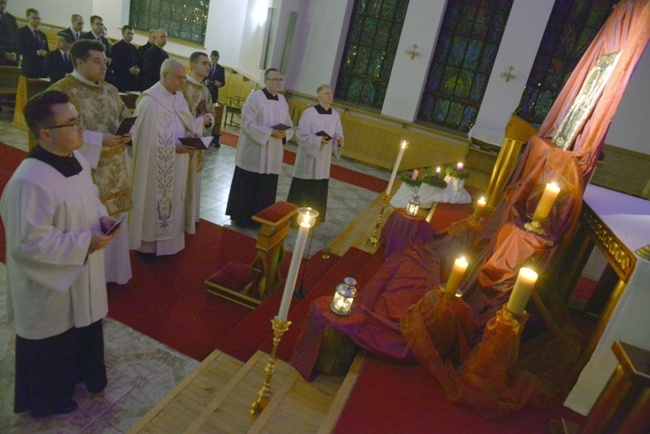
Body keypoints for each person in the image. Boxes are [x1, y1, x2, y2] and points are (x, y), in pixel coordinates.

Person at [0, 90, 120, 418]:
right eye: (72, 123)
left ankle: (82, 374)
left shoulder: (75, 158)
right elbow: (27, 245)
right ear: (45, 134)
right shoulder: (29, 181)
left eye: (78, 120)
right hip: (49, 283)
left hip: (80, 272)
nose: (81, 129)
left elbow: (90, 195)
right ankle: (47, 399)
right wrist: (85, 243)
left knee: (83, 323)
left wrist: (102, 218)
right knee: (54, 337)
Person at [48, 39, 134, 285]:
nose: (103, 67)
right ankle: (92, 280)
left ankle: (113, 275)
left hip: (115, 169)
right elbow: (59, 132)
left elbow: (125, 116)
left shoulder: (110, 89)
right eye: (97, 62)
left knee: (115, 218)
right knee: (90, 219)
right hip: (85, 170)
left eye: (104, 62)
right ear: (79, 62)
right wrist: (99, 140)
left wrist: (128, 133)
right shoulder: (62, 91)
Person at [129, 59, 205, 258]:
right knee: (154, 201)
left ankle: (170, 245)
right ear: (164, 75)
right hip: (154, 168)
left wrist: (192, 137)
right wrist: (173, 148)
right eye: (179, 77)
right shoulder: (149, 102)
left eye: (183, 77)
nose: (183, 81)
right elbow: (142, 144)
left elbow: (187, 123)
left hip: (178, 164)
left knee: (176, 199)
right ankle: (148, 247)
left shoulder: (178, 98)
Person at [225, 68, 294, 227]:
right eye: (274, 79)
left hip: (274, 150)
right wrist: (270, 133)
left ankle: (263, 217)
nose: (278, 82)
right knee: (250, 183)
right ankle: (242, 216)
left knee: (266, 186)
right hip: (255, 151)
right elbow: (247, 123)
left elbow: (289, 124)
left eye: (280, 79)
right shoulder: (255, 97)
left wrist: (284, 133)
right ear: (266, 81)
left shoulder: (282, 100)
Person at [286, 84, 344, 222]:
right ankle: (296, 217)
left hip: (323, 159)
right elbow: (301, 134)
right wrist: (318, 140)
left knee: (319, 185)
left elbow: (338, 133)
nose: (330, 96)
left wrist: (339, 141)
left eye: (331, 93)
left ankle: (315, 218)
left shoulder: (335, 115)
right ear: (318, 96)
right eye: (326, 93)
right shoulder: (309, 113)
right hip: (308, 157)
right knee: (304, 186)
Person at [182, 51, 215, 232]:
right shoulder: (183, 86)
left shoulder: (205, 89)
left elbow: (211, 111)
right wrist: (199, 120)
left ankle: (192, 215)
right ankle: (181, 216)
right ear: (192, 65)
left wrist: (208, 118)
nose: (208, 67)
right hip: (184, 138)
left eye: (209, 64)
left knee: (195, 176)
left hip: (199, 138)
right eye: (204, 63)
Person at [16, 8, 49, 78]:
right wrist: (37, 53)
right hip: (28, 68)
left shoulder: (42, 34)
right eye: (34, 18)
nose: (37, 20)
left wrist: (46, 53)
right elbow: (19, 49)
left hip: (41, 69)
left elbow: (47, 49)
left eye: (38, 18)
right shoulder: (21, 32)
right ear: (27, 18)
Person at [81, 15, 113, 83]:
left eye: (102, 24)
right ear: (91, 25)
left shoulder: (104, 40)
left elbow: (108, 55)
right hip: (90, 71)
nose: (100, 27)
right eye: (97, 24)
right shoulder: (85, 37)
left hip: (102, 72)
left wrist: (108, 59)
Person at [111, 25, 140, 91]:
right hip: (120, 80)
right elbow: (114, 64)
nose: (131, 35)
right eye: (128, 33)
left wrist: (137, 69)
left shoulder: (134, 48)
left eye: (132, 34)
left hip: (132, 81)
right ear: (123, 34)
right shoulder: (116, 47)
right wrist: (128, 70)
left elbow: (137, 62)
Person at [0, 0, 19, 66]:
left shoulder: (11, 18)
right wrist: (4, 53)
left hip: (12, 57)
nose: (2, 5)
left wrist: (14, 52)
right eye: (0, 2)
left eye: (4, 3)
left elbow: (16, 37)